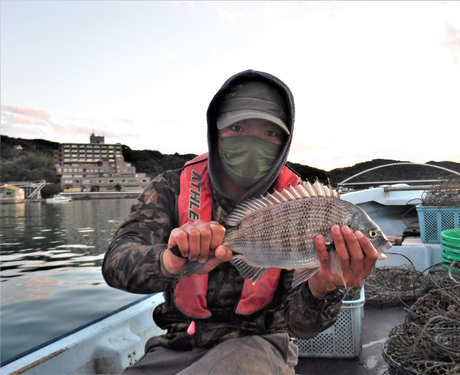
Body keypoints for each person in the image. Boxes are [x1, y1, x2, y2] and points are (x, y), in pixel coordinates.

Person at [102, 69, 379, 375]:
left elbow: (302, 327)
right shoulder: (171, 187)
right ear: (215, 132)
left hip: (260, 346)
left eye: (270, 133)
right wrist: (170, 260)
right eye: (237, 127)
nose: (253, 141)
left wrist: (323, 286)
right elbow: (115, 263)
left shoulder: (298, 201)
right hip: (174, 346)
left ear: (284, 143)